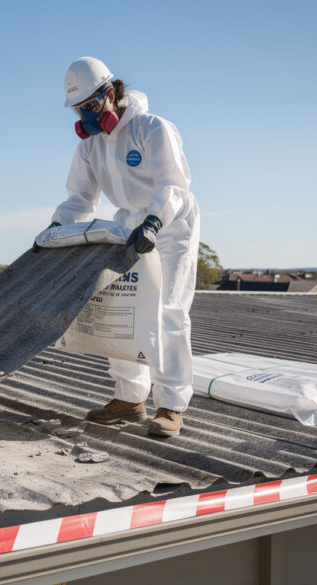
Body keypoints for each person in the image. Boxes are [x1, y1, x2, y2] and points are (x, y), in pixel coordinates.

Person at [51, 57, 200, 437]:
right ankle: (131, 397)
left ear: (112, 93)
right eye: (79, 109)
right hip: (126, 222)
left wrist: (154, 221)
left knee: (166, 310)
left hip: (169, 222)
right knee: (122, 308)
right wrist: (56, 229)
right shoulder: (92, 147)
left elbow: (173, 185)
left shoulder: (152, 128)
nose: (85, 117)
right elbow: (80, 200)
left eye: (90, 106)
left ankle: (171, 405)